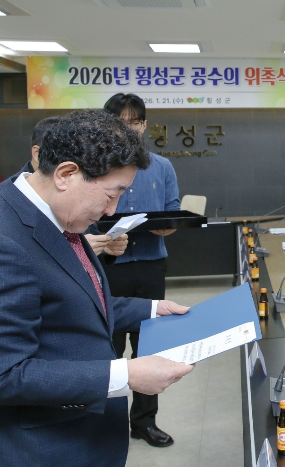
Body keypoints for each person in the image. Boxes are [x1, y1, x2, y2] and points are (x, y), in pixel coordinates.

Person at [0, 109, 194, 467]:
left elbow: (73, 301)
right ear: (65, 174)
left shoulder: (54, 217)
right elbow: (1, 375)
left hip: (83, 437)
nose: (112, 211)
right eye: (111, 194)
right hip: (42, 449)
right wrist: (126, 374)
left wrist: (153, 309)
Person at [102, 93, 181, 448]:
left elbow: (173, 213)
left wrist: (166, 227)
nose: (129, 128)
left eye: (135, 122)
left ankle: (145, 422)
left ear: (145, 125)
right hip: (108, 267)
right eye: (121, 122)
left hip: (150, 265)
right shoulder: (95, 165)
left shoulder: (162, 167)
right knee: (109, 346)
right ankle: (108, 421)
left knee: (149, 345)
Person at [0, 116, 127, 258]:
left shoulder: (80, 188)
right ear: (37, 154)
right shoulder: (5, 196)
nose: (77, 164)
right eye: (63, 154)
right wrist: (73, 250)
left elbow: (90, 233)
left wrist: (103, 246)